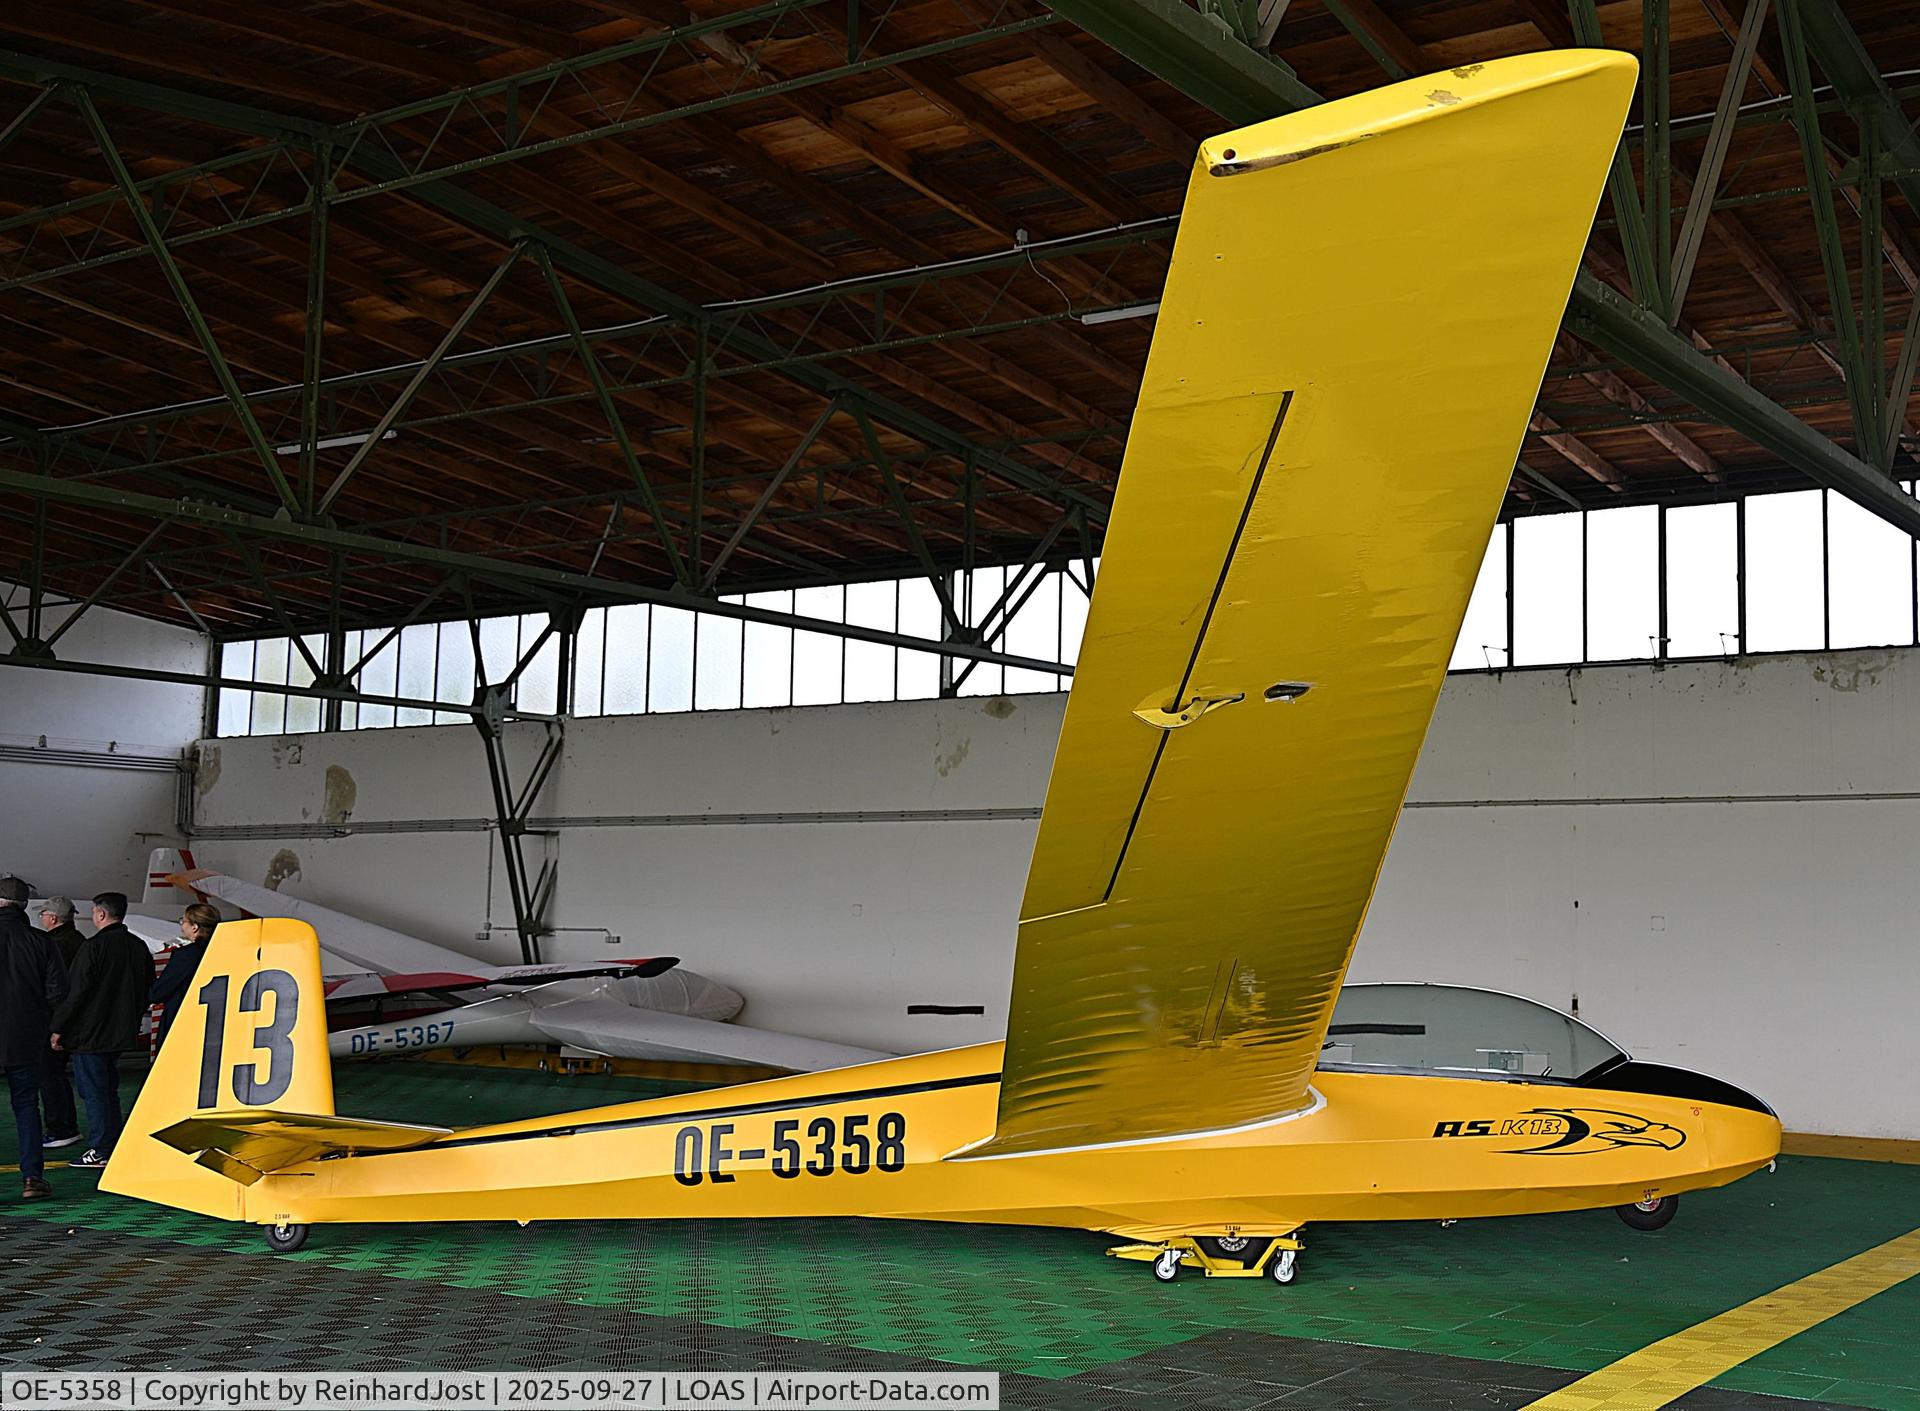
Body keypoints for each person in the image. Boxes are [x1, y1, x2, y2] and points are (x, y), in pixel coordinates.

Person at [50, 892, 152, 1170]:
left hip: (91, 1034)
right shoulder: (138, 946)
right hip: (121, 1031)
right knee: (108, 1090)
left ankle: (100, 1148)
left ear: (101, 914)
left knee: (94, 1092)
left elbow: (77, 993)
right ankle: (113, 1143)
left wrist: (59, 1027)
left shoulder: (93, 947)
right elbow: (148, 986)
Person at [0, 876, 65, 1199]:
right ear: (25, 905)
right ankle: (32, 1179)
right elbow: (57, 992)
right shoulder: (41, 942)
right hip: (26, 1036)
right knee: (26, 1106)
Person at [35, 897, 84, 1150]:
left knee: (49, 1076)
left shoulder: (53, 945)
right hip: (75, 1021)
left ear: (53, 918)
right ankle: (67, 1126)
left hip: (55, 1021)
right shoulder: (80, 942)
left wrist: (56, 1026)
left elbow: (55, 989)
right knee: (59, 1076)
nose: (41, 918)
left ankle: (60, 1128)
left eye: (43, 914)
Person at [149, 903, 218, 1045]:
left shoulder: (186, 955)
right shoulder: (225, 952)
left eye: (184, 921)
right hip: (215, 1024)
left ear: (195, 927)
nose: (182, 925)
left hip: (182, 1023)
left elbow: (159, 993)